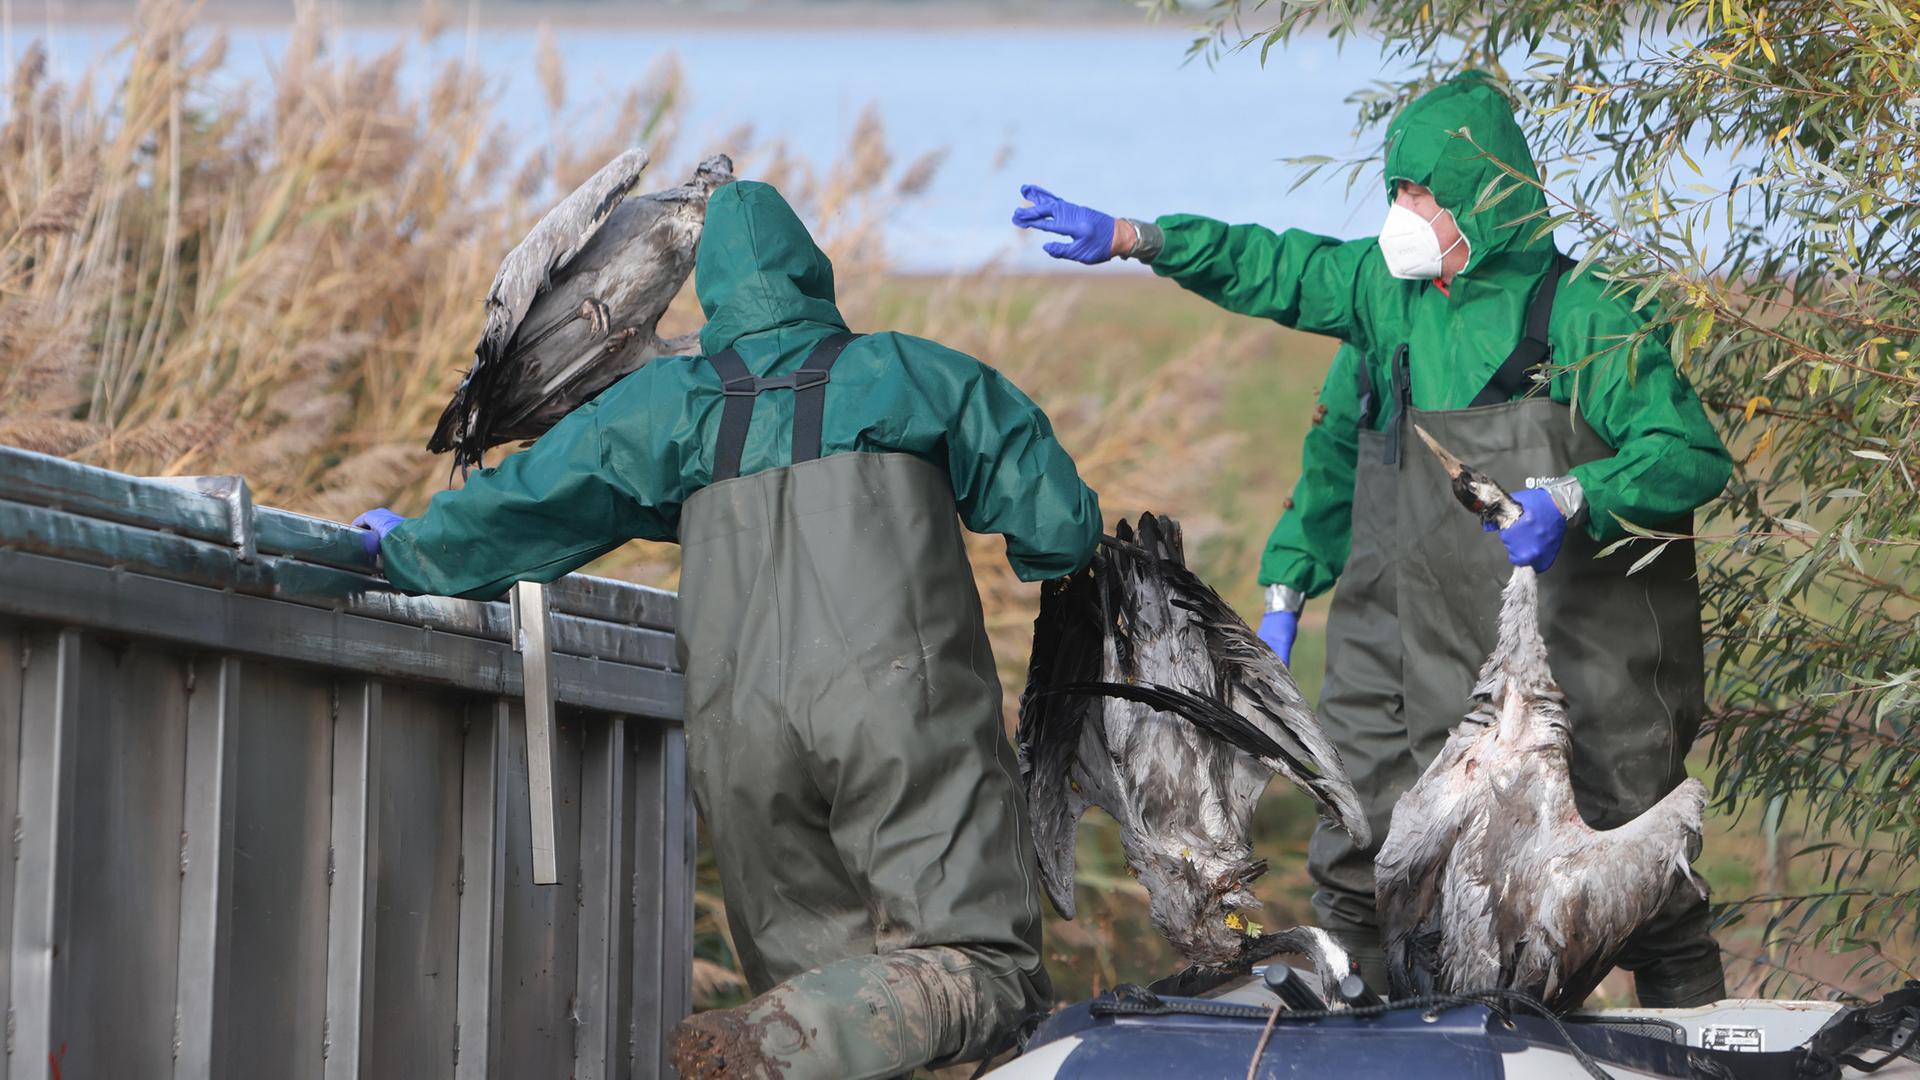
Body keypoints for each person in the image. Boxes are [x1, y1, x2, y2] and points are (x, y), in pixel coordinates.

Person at [1012, 71, 1732, 1008]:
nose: (1401, 212)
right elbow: (1280, 277)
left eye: (1420, 194)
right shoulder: (1386, 306)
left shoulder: (1587, 316)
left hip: (1575, 650)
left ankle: (1703, 1034)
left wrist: (1577, 494)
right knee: (1369, 848)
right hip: (1406, 634)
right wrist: (1134, 239)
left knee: (1627, 855)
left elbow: (1690, 455)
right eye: (1394, 192)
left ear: (1485, 196)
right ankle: (1381, 1035)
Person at [357, 180, 1101, 1078]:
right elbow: (1059, 527)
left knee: (822, 978)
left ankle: (782, 1034)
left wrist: (408, 553)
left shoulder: (668, 405)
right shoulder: (916, 374)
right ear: (812, 273)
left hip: (741, 738)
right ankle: (775, 1039)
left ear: (710, 294)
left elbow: (522, 506)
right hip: (901, 717)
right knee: (981, 966)